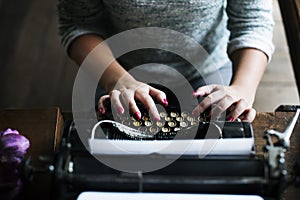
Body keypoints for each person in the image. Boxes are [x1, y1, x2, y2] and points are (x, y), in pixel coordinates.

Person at [57, 0, 274, 122]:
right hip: (118, 69)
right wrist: (117, 80)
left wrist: (242, 88)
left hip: (207, 71)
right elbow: (80, 24)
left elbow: (253, 22)